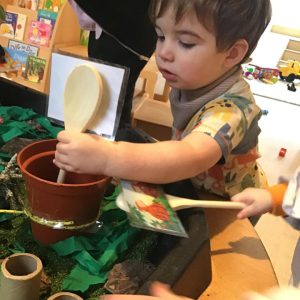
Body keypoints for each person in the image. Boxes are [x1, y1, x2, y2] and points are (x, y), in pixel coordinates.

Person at [54, 0, 271, 199]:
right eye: (160, 36)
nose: (163, 52)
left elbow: (190, 154)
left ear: (232, 54)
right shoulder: (196, 80)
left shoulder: (232, 110)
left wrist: (107, 158)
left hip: (228, 205)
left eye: (186, 43)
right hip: (192, 187)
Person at [68, 0, 157, 130]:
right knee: (110, 102)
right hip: (118, 28)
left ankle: (108, 143)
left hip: (123, 30)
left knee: (108, 106)